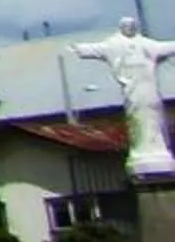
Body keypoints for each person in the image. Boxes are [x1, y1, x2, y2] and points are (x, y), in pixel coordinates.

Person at [73, 18, 175, 177]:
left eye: (133, 26)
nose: (130, 28)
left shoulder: (146, 44)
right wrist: (78, 49)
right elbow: (95, 49)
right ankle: (141, 150)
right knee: (136, 118)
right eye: (127, 26)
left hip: (148, 88)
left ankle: (157, 148)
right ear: (121, 28)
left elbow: (164, 47)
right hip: (132, 90)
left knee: (154, 117)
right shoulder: (114, 44)